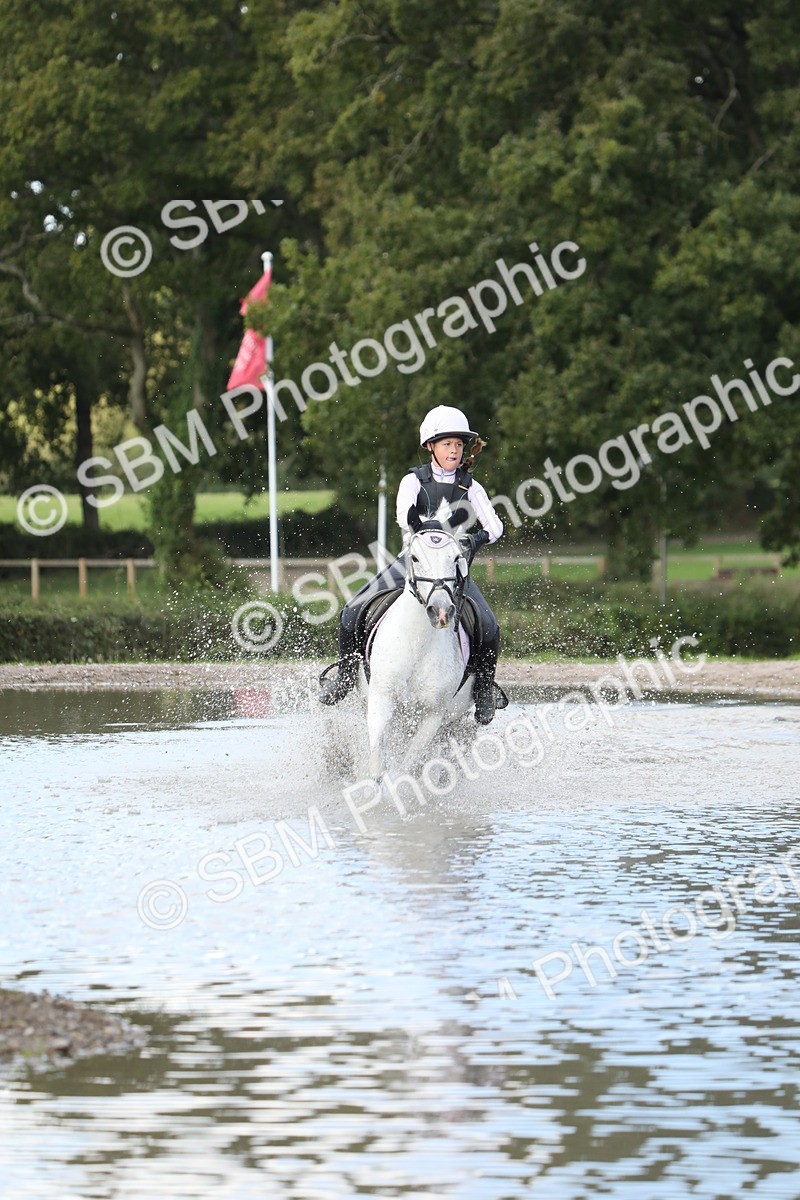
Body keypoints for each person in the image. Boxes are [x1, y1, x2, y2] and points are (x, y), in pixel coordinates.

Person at [319, 405, 506, 724]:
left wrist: (475, 540)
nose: (454, 450)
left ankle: (484, 690)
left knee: (489, 626)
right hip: (413, 563)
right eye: (447, 444)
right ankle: (347, 676)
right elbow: (404, 519)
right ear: (431, 446)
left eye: (459, 445)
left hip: (452, 569)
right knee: (351, 611)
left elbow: (496, 525)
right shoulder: (413, 481)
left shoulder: (470, 486)